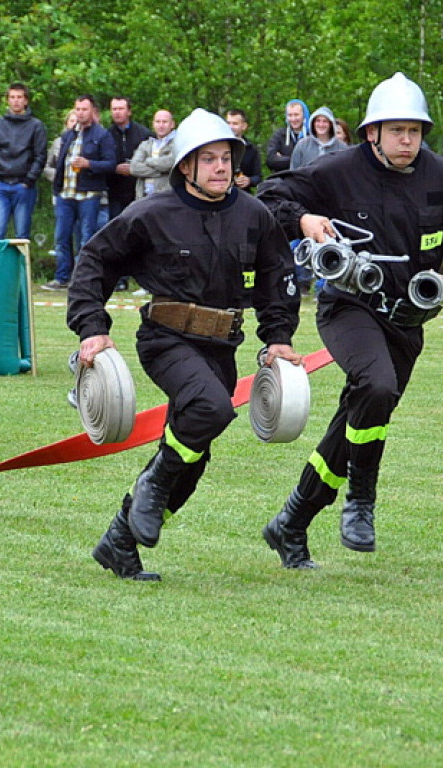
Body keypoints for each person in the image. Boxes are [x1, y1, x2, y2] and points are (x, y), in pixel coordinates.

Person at [257, 73, 443, 568]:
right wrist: (304, 220)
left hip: (408, 321)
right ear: (373, 132)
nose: (406, 141)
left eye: (414, 131)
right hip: (349, 308)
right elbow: (269, 195)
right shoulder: (337, 170)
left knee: (358, 417)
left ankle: (291, 523)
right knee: (377, 387)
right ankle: (361, 504)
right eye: (396, 131)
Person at [67, 108, 302, 581]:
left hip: (222, 349)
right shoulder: (152, 213)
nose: (220, 167)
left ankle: (120, 542)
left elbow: (280, 280)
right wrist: (92, 326)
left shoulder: (254, 216)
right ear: (185, 168)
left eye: (226, 158)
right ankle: (151, 483)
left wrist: (278, 339)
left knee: (195, 457)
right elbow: (94, 260)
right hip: (165, 341)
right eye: (208, 159)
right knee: (211, 411)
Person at [41, 95, 116, 292]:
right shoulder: (68, 135)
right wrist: (57, 187)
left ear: (92, 111)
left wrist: (89, 164)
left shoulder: (102, 135)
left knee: (86, 239)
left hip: (88, 195)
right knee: (62, 237)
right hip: (66, 194)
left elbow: (111, 164)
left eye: (84, 109)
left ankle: (83, 279)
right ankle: (62, 277)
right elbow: (57, 163)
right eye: (77, 109)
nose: (80, 113)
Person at [0, 82, 47, 241]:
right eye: (12, 97)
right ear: (7, 100)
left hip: (23, 185)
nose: (16, 101)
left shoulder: (36, 126)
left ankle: (21, 266)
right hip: (0, 184)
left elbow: (40, 155)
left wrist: (29, 180)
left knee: (22, 234)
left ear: (26, 101)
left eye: (19, 97)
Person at [106, 96, 151, 220]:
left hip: (138, 189)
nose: (117, 112)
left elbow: (151, 161)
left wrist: (134, 168)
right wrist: (114, 168)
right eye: (114, 109)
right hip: (114, 191)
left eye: (121, 108)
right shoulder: (106, 135)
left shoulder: (144, 134)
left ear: (129, 111)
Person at [130, 109, 177, 199]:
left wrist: (148, 160)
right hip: (143, 197)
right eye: (158, 122)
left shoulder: (177, 143)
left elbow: (169, 163)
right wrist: (161, 171)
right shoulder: (145, 144)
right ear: (153, 124)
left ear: (172, 124)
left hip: (166, 198)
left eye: (165, 122)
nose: (161, 125)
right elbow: (134, 168)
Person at [265, 98, 309, 173]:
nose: (293, 119)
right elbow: (270, 160)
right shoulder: (279, 135)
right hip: (283, 179)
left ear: (304, 115)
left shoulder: (311, 135)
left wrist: (282, 159)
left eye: (296, 115)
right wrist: (299, 160)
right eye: (290, 115)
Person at [225, 109, 262, 192]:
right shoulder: (217, 147)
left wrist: (249, 180)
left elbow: (258, 177)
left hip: (242, 195)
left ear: (244, 126)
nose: (230, 127)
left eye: (235, 123)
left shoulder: (252, 149)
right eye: (228, 123)